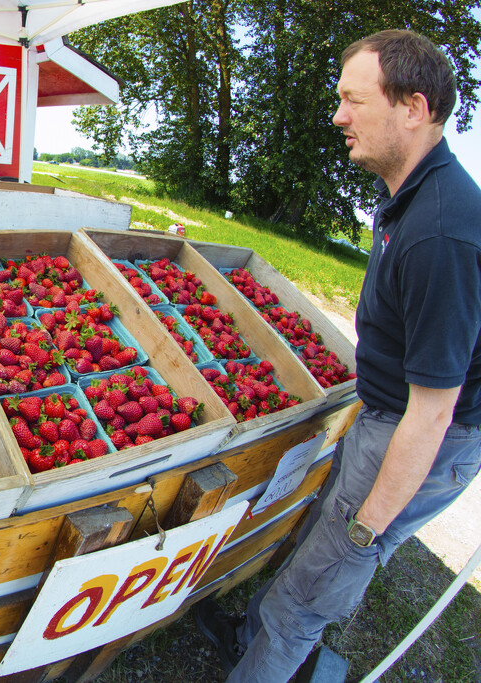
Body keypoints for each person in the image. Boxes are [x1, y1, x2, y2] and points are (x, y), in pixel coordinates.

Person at [195, 29, 481, 681]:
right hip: (386, 414)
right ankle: (250, 636)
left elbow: (433, 413)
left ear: (413, 108)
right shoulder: (409, 193)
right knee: (315, 541)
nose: (338, 116)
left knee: (313, 590)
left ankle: (267, 653)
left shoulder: (441, 233)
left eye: (354, 99)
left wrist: (366, 526)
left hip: (416, 433)